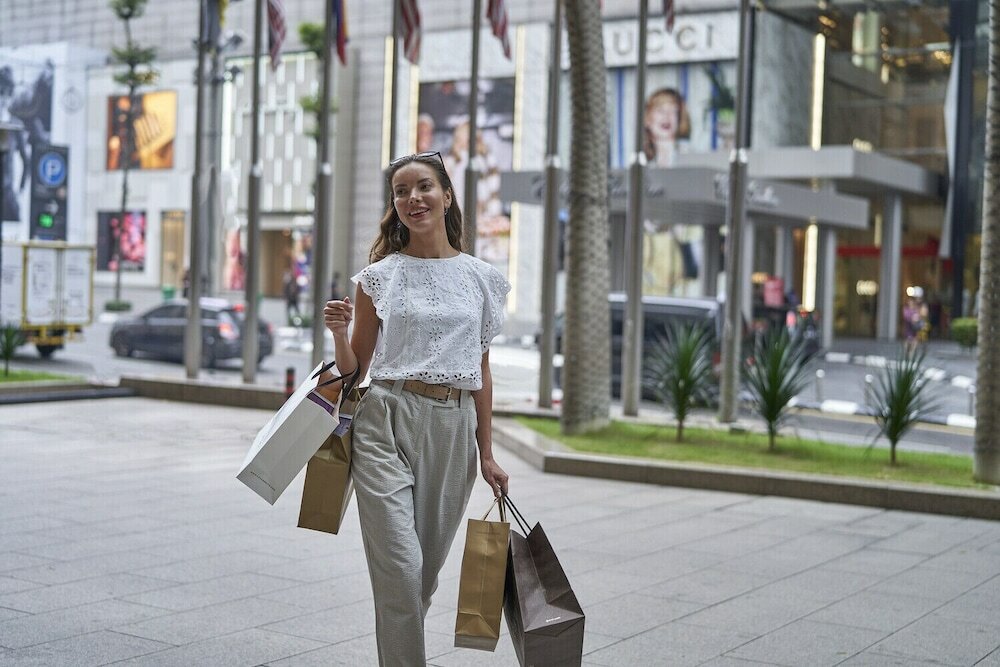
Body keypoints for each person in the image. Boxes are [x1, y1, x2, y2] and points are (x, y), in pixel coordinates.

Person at [323, 151, 510, 666]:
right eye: (401, 192)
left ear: (446, 195)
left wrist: (487, 453)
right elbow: (357, 368)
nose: (412, 199)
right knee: (401, 572)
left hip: (453, 428)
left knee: (419, 582)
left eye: (423, 187)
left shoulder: (483, 280)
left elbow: (482, 372)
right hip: (385, 417)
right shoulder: (379, 277)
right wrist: (339, 334)